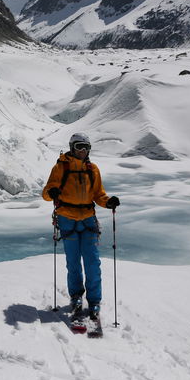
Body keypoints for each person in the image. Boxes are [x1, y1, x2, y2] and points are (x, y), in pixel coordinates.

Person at [43, 133, 119, 319]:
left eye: (86, 147)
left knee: (93, 263)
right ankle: (76, 296)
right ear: (71, 147)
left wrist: (108, 202)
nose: (83, 151)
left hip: (87, 219)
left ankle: (94, 301)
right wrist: (52, 192)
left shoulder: (92, 169)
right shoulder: (61, 167)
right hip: (67, 219)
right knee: (73, 262)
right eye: (79, 147)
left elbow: (98, 194)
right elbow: (46, 193)